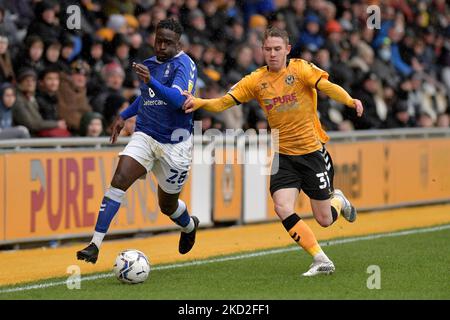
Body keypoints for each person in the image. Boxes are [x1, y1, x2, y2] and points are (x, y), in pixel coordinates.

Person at [183, 27, 364, 276]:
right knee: (282, 206)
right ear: (262, 51)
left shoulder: (301, 69)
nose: (272, 53)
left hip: (312, 153)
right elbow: (224, 101)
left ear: (287, 50)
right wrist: (199, 103)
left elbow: (328, 86)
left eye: (277, 49)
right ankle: (320, 259)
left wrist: (350, 100)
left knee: (324, 219)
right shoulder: (256, 81)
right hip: (284, 156)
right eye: (268, 49)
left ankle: (338, 200)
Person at [77, 18, 199, 264]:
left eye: (167, 43)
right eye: (158, 41)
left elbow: (176, 99)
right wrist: (123, 115)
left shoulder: (185, 65)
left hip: (175, 144)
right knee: (119, 179)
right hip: (145, 133)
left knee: (168, 206)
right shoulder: (149, 64)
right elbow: (147, 97)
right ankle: (94, 245)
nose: (161, 46)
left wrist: (150, 81)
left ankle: (188, 226)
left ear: (178, 44)